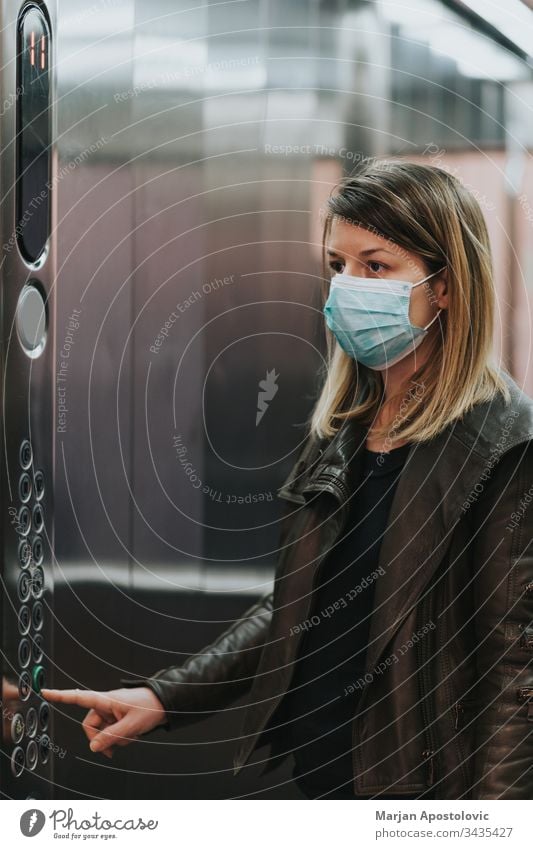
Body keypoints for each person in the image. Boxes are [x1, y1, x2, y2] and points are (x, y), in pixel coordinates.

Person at [43, 159, 533, 800]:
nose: (347, 287)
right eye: (338, 265)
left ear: (445, 287)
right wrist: (164, 696)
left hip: (416, 795)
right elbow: (297, 604)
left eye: (376, 266)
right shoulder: (348, 426)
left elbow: (514, 666)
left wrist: (493, 827)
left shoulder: (503, 443)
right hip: (320, 774)